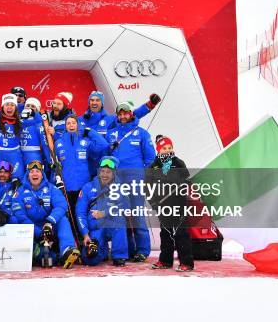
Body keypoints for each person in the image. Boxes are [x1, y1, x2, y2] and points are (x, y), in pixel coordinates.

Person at [106, 100, 156, 262]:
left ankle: (142, 250)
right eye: (120, 113)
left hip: (135, 180)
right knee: (120, 215)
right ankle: (127, 249)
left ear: (131, 114)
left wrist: (143, 175)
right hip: (116, 180)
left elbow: (150, 158)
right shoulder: (111, 133)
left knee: (137, 214)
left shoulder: (141, 133)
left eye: (126, 113)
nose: (122, 116)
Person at [12, 161, 80, 268]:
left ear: (42, 174)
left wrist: (50, 222)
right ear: (27, 175)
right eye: (32, 172)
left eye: (37, 171)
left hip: (49, 226)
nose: (35, 174)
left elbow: (61, 205)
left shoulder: (51, 188)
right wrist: (39, 232)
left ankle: (67, 250)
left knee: (63, 219)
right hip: (32, 229)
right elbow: (19, 214)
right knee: (15, 221)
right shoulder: (19, 192)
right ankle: (52, 257)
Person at [79, 91, 161, 177]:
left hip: (107, 167)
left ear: (102, 103)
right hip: (87, 164)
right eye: (92, 100)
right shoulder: (80, 120)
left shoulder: (110, 119)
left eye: (97, 100)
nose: (94, 102)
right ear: (89, 102)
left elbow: (131, 115)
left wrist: (149, 105)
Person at [147, 135, 195, 272]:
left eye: (170, 147)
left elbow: (187, 181)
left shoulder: (179, 163)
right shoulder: (153, 166)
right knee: (166, 233)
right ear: (158, 150)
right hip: (162, 205)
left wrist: (184, 184)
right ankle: (165, 260)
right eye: (164, 148)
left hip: (178, 203)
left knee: (181, 232)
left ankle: (186, 262)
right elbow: (147, 187)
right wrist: (154, 203)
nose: (167, 150)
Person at [76, 156, 128, 266]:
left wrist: (104, 213)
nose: (104, 175)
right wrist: (85, 234)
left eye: (108, 172)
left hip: (111, 225)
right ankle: (103, 251)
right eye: (102, 171)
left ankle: (119, 256)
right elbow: (80, 212)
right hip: (95, 228)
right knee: (90, 259)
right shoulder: (87, 187)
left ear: (114, 173)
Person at [54, 115, 108, 217]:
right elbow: (55, 163)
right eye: (68, 123)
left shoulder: (85, 141)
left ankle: (84, 232)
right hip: (66, 186)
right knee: (71, 216)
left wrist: (90, 132)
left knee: (83, 213)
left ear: (78, 125)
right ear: (65, 126)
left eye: (73, 123)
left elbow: (103, 145)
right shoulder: (58, 143)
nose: (71, 125)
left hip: (83, 185)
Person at [19, 97, 51, 168]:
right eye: (28, 105)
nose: (29, 108)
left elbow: (45, 144)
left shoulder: (39, 123)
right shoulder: (17, 122)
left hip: (33, 155)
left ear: (37, 109)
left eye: (33, 106)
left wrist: (50, 161)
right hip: (19, 155)